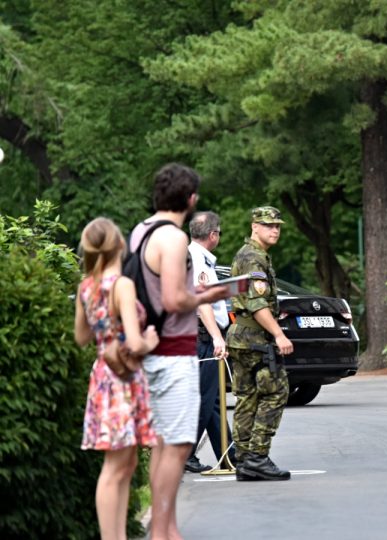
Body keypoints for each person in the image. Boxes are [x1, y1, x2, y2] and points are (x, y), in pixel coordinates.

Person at [132, 163, 231, 540]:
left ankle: (164, 525)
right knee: (176, 446)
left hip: (148, 346)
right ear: (191, 199)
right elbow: (175, 299)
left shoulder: (140, 232)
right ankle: (163, 529)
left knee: (162, 442)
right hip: (174, 350)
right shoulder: (173, 239)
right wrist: (219, 292)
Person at [74, 217, 160, 540]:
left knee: (124, 462)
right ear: (119, 245)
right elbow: (136, 343)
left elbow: (82, 337)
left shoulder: (87, 286)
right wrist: (149, 339)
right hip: (124, 380)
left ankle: (118, 535)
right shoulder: (122, 285)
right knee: (115, 467)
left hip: (103, 377)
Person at [227, 206, 294, 481]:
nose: (274, 230)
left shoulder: (248, 255)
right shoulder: (253, 258)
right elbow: (256, 304)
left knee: (247, 397)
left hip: (241, 337)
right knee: (277, 391)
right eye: (268, 225)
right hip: (254, 339)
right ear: (255, 226)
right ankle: (256, 456)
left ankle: (244, 460)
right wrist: (279, 335)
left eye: (277, 225)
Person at [185, 211, 236, 473]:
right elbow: (202, 301)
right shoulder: (197, 260)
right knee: (204, 399)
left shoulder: (196, 257)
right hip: (203, 336)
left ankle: (228, 454)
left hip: (201, 335)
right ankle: (185, 454)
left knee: (214, 400)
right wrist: (217, 336)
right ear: (213, 235)